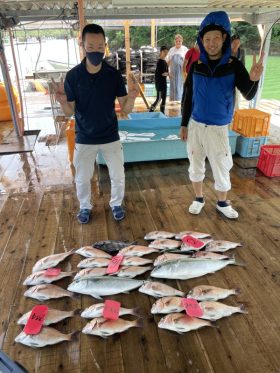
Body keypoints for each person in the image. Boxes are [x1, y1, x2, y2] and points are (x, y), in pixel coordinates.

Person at [180, 11, 263, 219]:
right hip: (196, 125)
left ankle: (222, 202)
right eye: (207, 39)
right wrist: (183, 124)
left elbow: (249, 93)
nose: (212, 43)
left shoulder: (233, 65)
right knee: (195, 163)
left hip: (218, 128)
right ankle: (198, 198)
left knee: (222, 165)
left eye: (216, 37)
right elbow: (187, 97)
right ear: (202, 40)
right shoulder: (196, 66)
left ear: (224, 37)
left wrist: (254, 79)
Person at [52, 24, 139, 224]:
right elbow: (70, 112)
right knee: (82, 178)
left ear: (105, 46)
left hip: (110, 136)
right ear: (82, 45)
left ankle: (116, 204)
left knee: (118, 175)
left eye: (100, 46)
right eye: (90, 46)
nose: (95, 50)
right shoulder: (73, 76)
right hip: (84, 137)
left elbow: (125, 109)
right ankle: (84, 207)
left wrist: (132, 96)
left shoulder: (113, 74)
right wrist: (63, 101)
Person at [166, 34, 188, 102]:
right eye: (177, 41)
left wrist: (186, 72)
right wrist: (167, 71)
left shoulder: (185, 49)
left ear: (182, 41)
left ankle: (180, 100)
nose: (178, 42)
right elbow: (168, 61)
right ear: (174, 41)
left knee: (180, 85)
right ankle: (172, 100)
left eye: (179, 41)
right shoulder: (171, 49)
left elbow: (187, 61)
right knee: (173, 85)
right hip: (172, 71)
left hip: (181, 71)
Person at [149, 46, 169, 114]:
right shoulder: (159, 62)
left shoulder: (165, 62)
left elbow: (165, 72)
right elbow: (163, 73)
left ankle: (162, 113)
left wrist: (168, 73)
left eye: (167, 52)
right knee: (158, 99)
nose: (166, 53)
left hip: (164, 83)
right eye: (164, 52)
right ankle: (150, 111)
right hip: (160, 84)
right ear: (161, 52)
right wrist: (169, 74)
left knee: (164, 99)